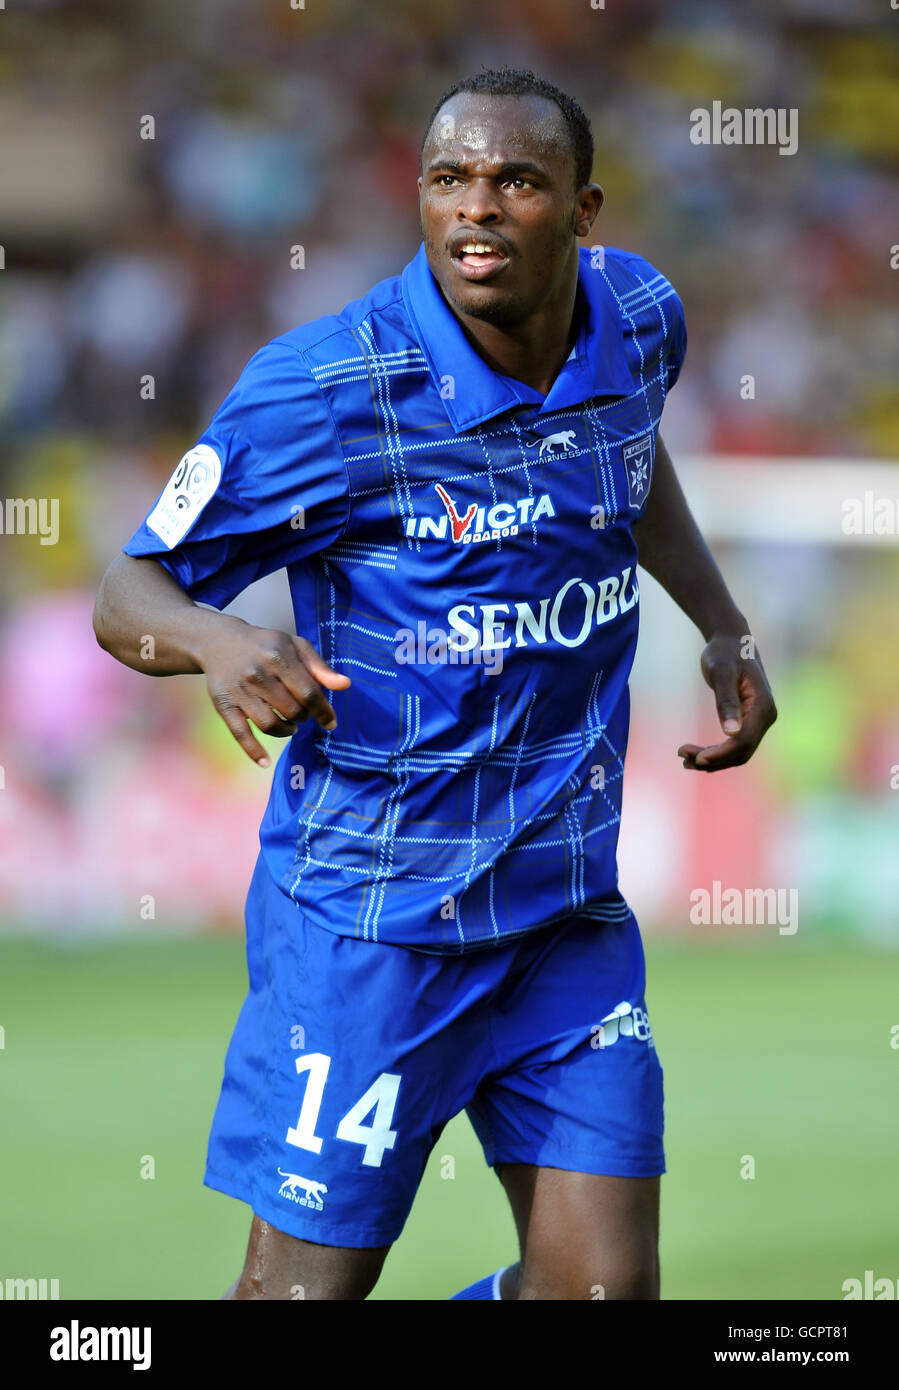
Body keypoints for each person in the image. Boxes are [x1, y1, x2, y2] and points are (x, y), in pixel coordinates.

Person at [93, 67, 776, 1300]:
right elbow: (126, 594)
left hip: (562, 916)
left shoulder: (640, 316)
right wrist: (216, 642)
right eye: (448, 179)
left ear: (583, 213)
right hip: (374, 929)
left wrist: (720, 624)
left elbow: (627, 458)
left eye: (516, 181)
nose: (476, 207)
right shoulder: (323, 389)